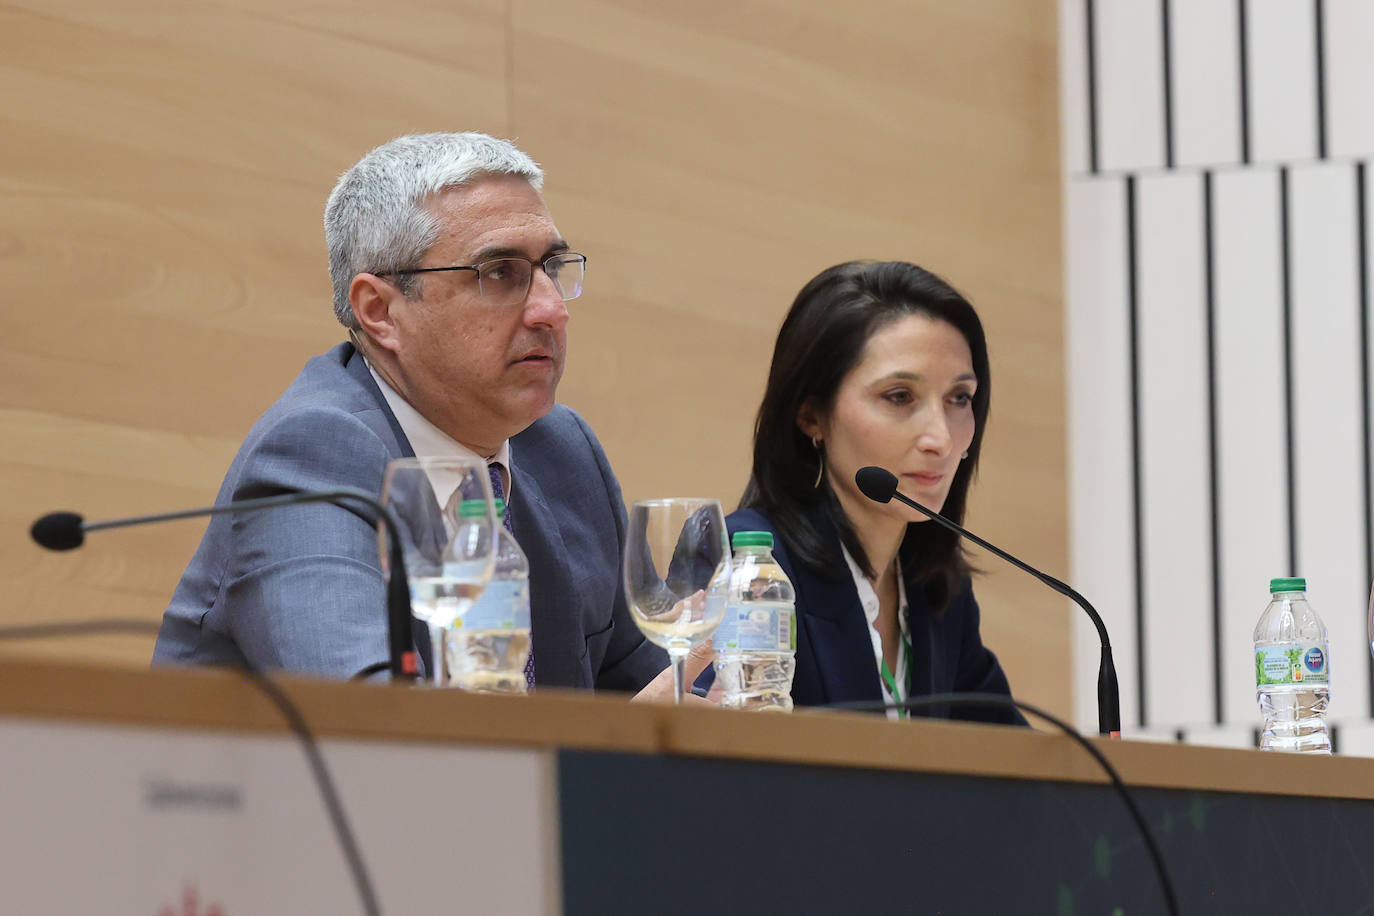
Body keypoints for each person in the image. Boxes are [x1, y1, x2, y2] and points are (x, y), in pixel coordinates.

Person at [153, 132, 693, 699]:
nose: (552, 310)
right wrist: (610, 751)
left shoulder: (561, 450)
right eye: (500, 273)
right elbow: (376, 726)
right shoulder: (313, 454)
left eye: (552, 269)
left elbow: (638, 691)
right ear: (380, 311)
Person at [719, 260, 1025, 724]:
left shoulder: (937, 591)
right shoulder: (749, 567)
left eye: (959, 399)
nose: (941, 438)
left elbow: (1010, 765)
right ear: (811, 416)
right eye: (899, 397)